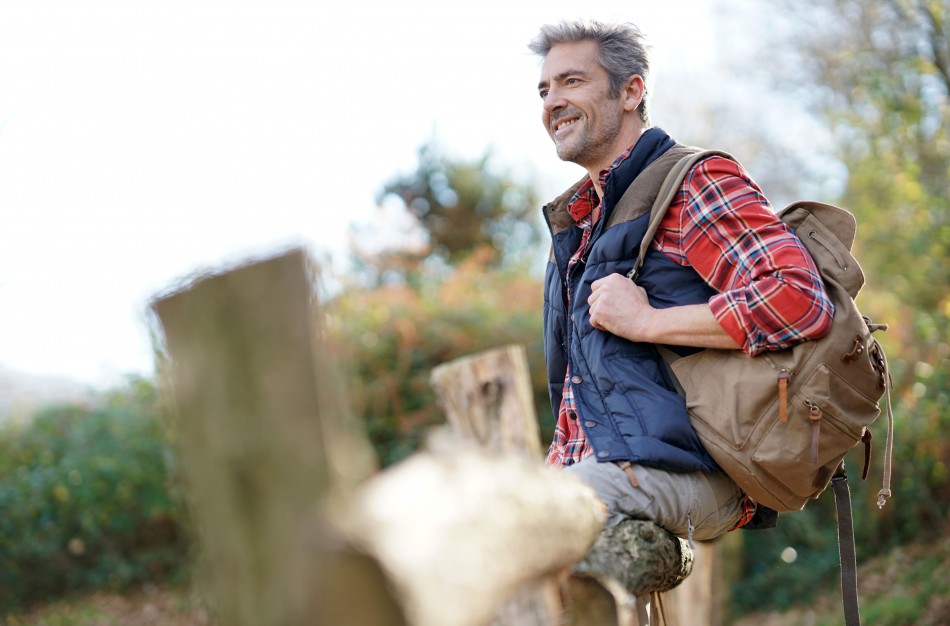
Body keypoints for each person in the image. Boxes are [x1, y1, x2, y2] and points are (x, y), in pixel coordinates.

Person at [529, 20, 835, 541]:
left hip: (693, 474)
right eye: (544, 88)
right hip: (591, 474)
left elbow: (797, 298)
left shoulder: (692, 182)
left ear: (631, 91)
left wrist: (647, 321)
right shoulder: (576, 228)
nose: (552, 100)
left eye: (571, 82)